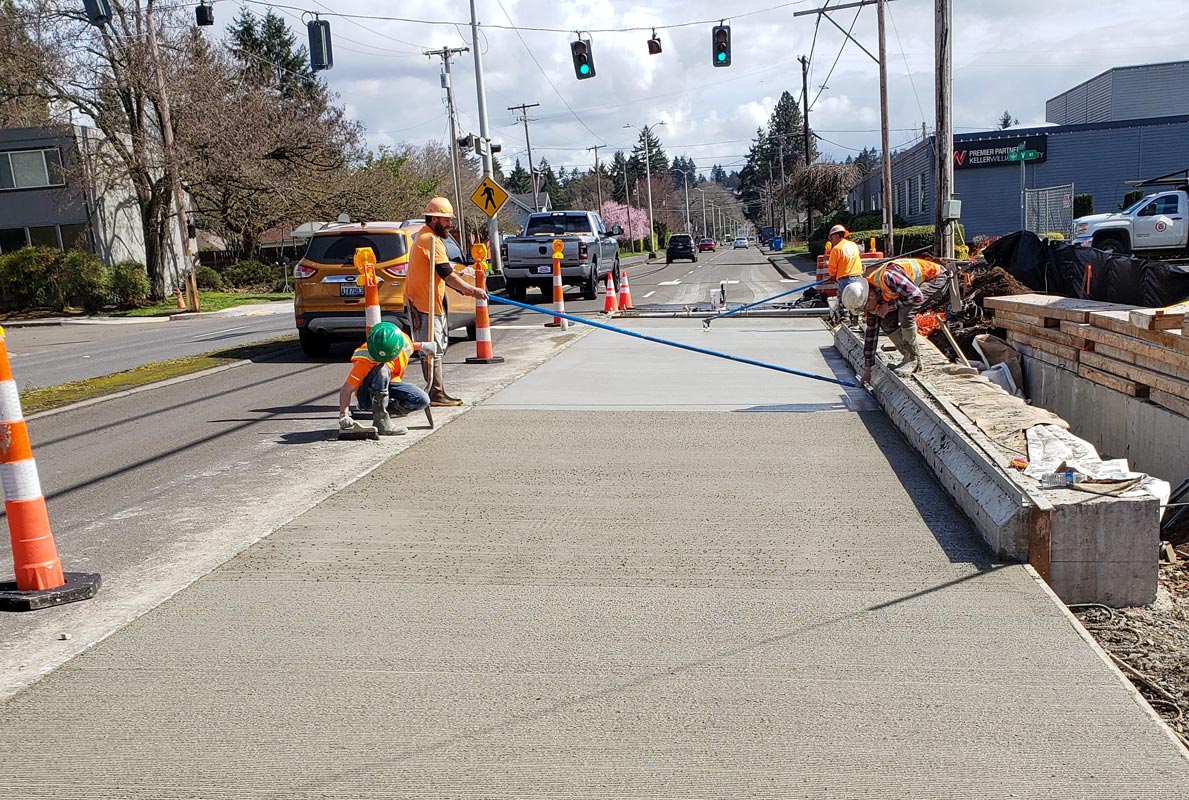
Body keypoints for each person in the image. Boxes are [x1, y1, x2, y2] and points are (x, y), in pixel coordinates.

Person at [405, 197, 487, 407]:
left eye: (449, 219)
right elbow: (446, 274)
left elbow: (444, 272)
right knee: (432, 348)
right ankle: (435, 393)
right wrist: (471, 290)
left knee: (436, 346)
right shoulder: (429, 240)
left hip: (429, 301)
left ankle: (437, 391)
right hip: (424, 303)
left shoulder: (429, 237)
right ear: (433, 219)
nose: (450, 224)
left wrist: (468, 285)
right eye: (445, 220)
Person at [842, 257, 953, 384]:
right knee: (886, 320)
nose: (866, 312)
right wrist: (868, 370)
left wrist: (889, 306)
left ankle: (913, 360)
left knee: (906, 312)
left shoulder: (888, 277)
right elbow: (871, 334)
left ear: (871, 297)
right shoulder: (872, 297)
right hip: (913, 290)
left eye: (865, 308)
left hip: (936, 279)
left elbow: (916, 296)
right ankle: (907, 357)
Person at [337, 322, 431, 436]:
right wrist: (344, 415)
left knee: (422, 400)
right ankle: (381, 422)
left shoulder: (402, 342)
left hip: (390, 387)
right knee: (382, 370)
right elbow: (347, 389)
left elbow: (410, 345)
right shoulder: (365, 359)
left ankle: (386, 410)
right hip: (368, 396)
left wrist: (423, 346)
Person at [825, 224, 863, 323]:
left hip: (845, 279)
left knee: (844, 303)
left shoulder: (836, 249)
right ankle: (855, 322)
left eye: (832, 237)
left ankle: (845, 322)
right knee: (856, 302)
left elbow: (832, 267)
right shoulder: (853, 246)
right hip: (858, 278)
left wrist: (832, 276)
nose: (831, 240)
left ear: (837, 235)